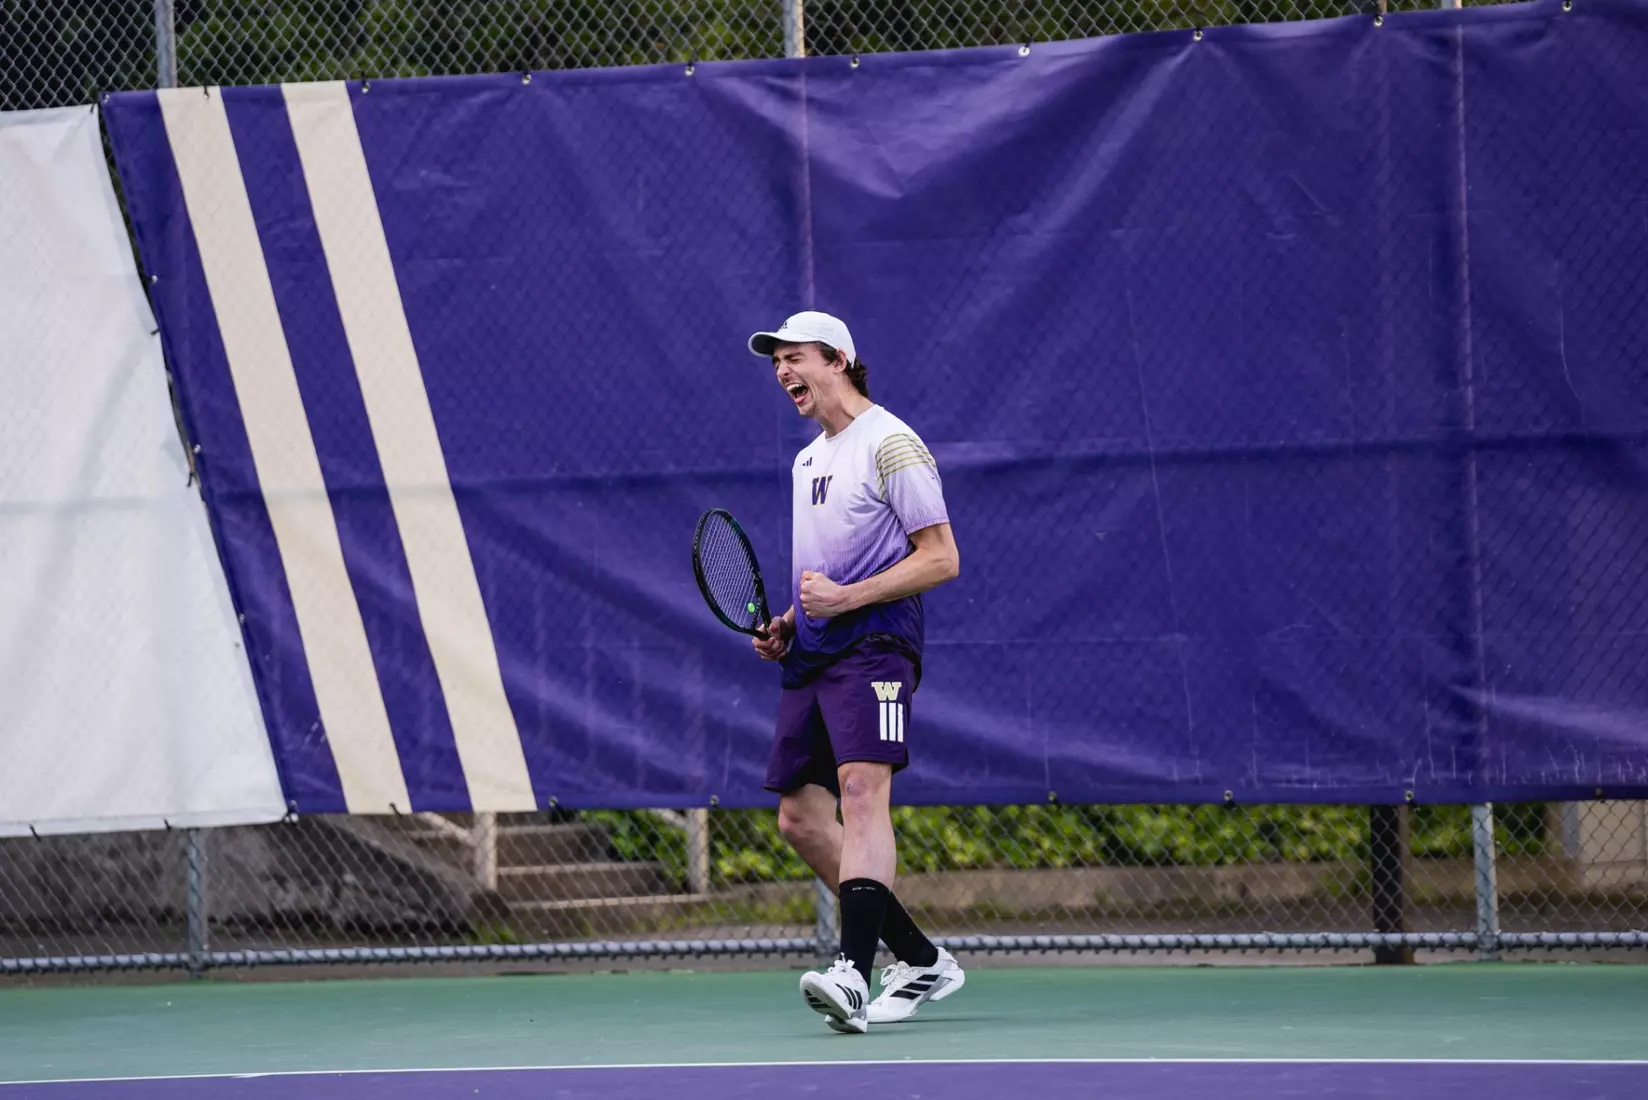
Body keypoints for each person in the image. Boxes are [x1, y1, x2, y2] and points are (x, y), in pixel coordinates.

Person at [746, 310, 964, 1034]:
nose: (782, 371)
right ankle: (921, 958)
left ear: (838, 359)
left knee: (860, 789)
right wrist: (788, 620)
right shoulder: (808, 460)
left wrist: (846, 599)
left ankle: (852, 972)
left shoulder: (892, 444)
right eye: (776, 361)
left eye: (794, 356)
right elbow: (826, 569)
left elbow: (941, 557)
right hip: (814, 649)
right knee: (801, 820)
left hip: (877, 643)